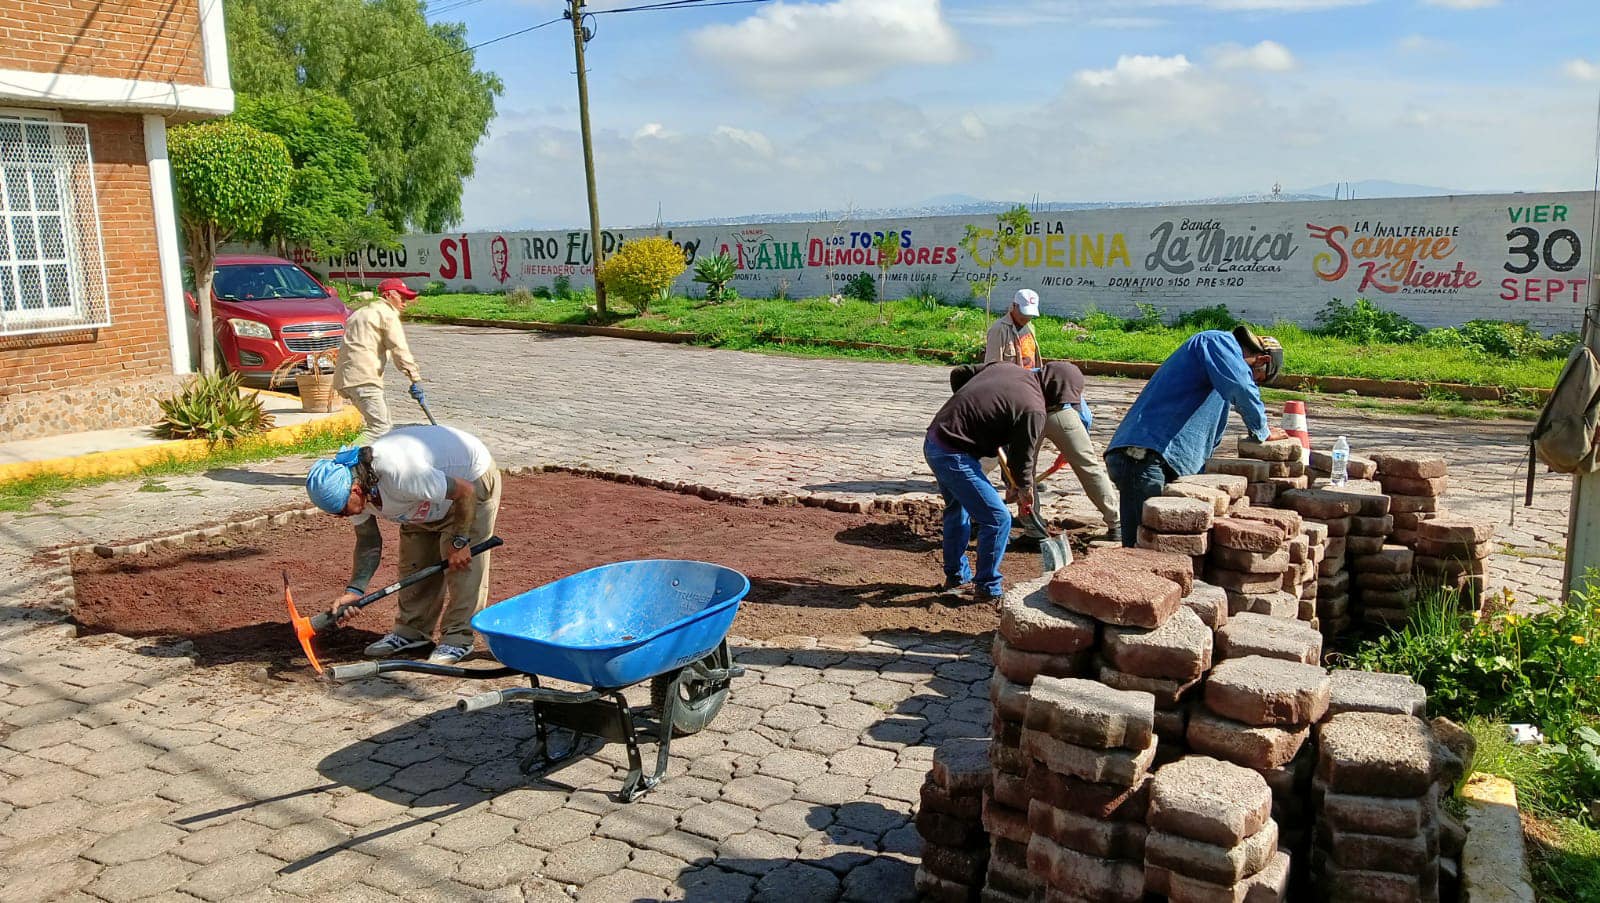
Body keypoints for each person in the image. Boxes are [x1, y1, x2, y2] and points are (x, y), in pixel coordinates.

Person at [305, 424, 501, 665]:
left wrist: (460, 541)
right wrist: (354, 591)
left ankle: (458, 639)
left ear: (355, 489)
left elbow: (466, 492)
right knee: (415, 562)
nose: (341, 516)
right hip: (422, 498)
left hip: (470, 482)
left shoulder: (399, 474)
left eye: (342, 511)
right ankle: (411, 632)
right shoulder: (352, 485)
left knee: (461, 566)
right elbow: (368, 541)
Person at [1105, 324, 1290, 547]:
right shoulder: (1216, 342)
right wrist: (1263, 430)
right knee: (1141, 552)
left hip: (1158, 461)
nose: (1254, 385)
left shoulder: (1219, 370)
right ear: (1263, 360)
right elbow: (1242, 388)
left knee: (1161, 548)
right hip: (1143, 457)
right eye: (1257, 379)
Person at [927, 362, 1081, 605]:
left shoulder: (1008, 368)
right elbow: (1024, 458)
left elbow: (960, 374)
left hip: (936, 439)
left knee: (959, 508)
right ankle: (988, 588)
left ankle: (956, 577)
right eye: (1061, 403)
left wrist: (972, 407)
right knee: (998, 519)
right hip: (953, 455)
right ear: (1055, 393)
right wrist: (1024, 489)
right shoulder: (1035, 410)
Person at [333, 277, 424, 444]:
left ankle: (368, 465)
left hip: (346, 377)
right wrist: (414, 377)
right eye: (402, 297)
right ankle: (342, 461)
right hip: (364, 378)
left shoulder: (359, 313)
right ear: (388, 295)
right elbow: (399, 349)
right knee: (380, 427)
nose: (405, 302)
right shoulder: (387, 314)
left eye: (407, 298)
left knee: (379, 425)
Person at [985, 288, 1042, 369]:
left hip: (1029, 379)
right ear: (1014, 306)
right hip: (1010, 380)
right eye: (1024, 313)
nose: (1027, 317)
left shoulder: (1030, 327)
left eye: (1030, 314)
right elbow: (992, 367)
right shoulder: (999, 330)